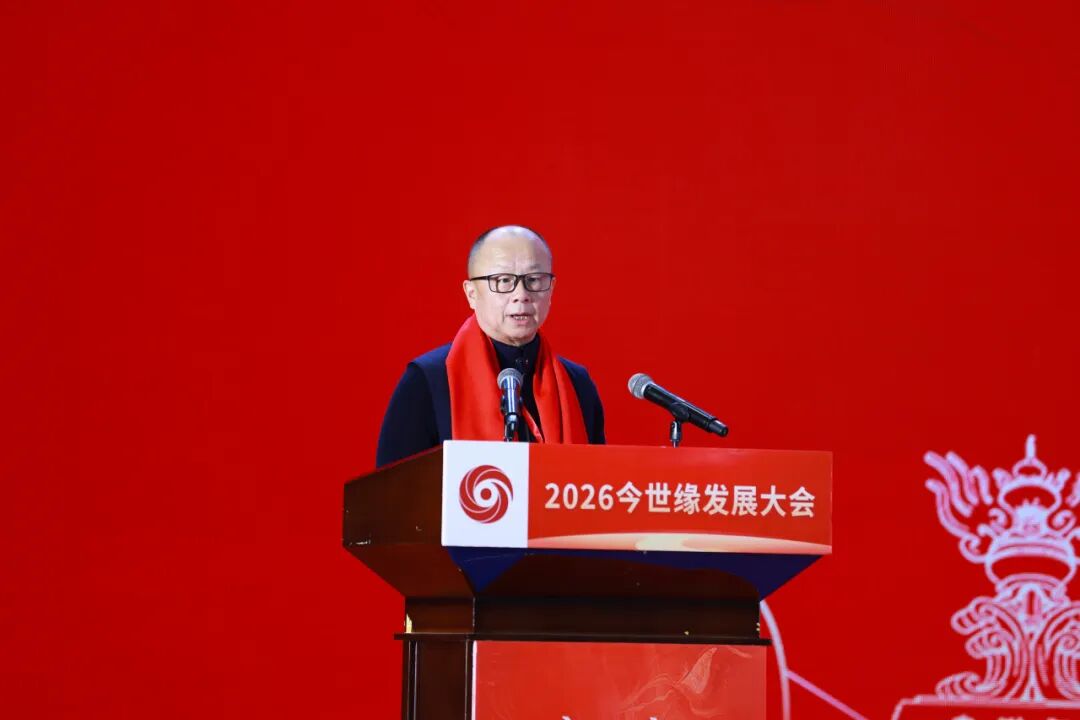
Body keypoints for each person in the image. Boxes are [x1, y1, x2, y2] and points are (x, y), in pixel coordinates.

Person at [376, 225, 605, 467]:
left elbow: (594, 482)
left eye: (534, 280)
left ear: (552, 290)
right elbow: (393, 487)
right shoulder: (429, 380)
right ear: (471, 293)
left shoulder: (576, 384)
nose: (521, 294)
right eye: (503, 280)